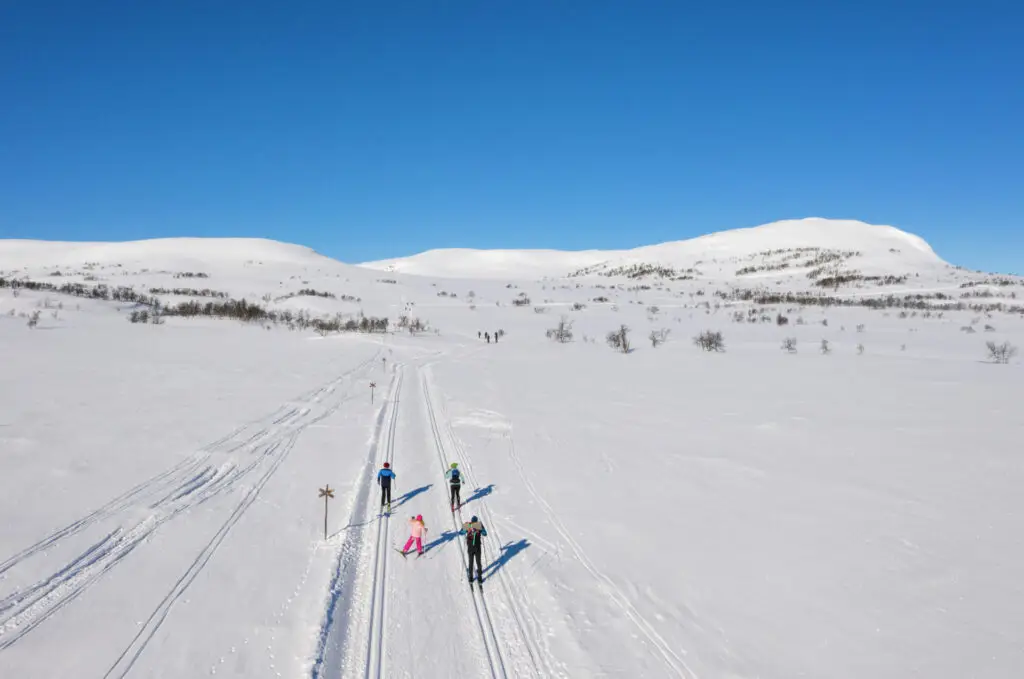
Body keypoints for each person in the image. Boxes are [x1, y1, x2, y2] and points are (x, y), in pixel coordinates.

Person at [460, 515, 487, 582]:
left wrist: (464, 528)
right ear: (476, 521)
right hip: (477, 547)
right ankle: (480, 578)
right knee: (478, 562)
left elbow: (461, 533)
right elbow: (485, 533)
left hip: (470, 547)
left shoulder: (468, 525)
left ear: (471, 521)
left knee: (470, 562)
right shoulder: (479, 525)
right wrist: (480, 530)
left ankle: (471, 578)